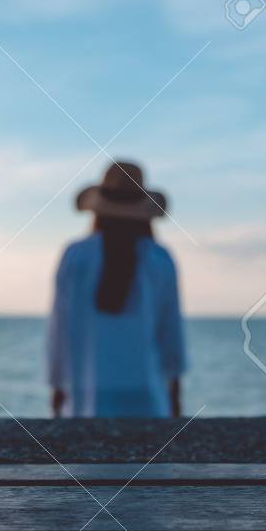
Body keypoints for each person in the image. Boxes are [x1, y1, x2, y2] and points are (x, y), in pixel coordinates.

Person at [47, 160, 187, 418]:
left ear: (98, 210)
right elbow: (171, 332)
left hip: (86, 397)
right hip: (149, 397)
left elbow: (60, 329)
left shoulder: (75, 256)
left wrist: (56, 386)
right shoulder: (159, 258)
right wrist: (175, 394)